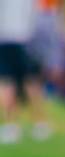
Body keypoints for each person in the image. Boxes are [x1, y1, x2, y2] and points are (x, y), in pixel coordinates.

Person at [0, 0, 52, 144]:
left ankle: (11, 126)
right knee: (30, 81)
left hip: (6, 38)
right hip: (24, 38)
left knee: (7, 82)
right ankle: (39, 123)